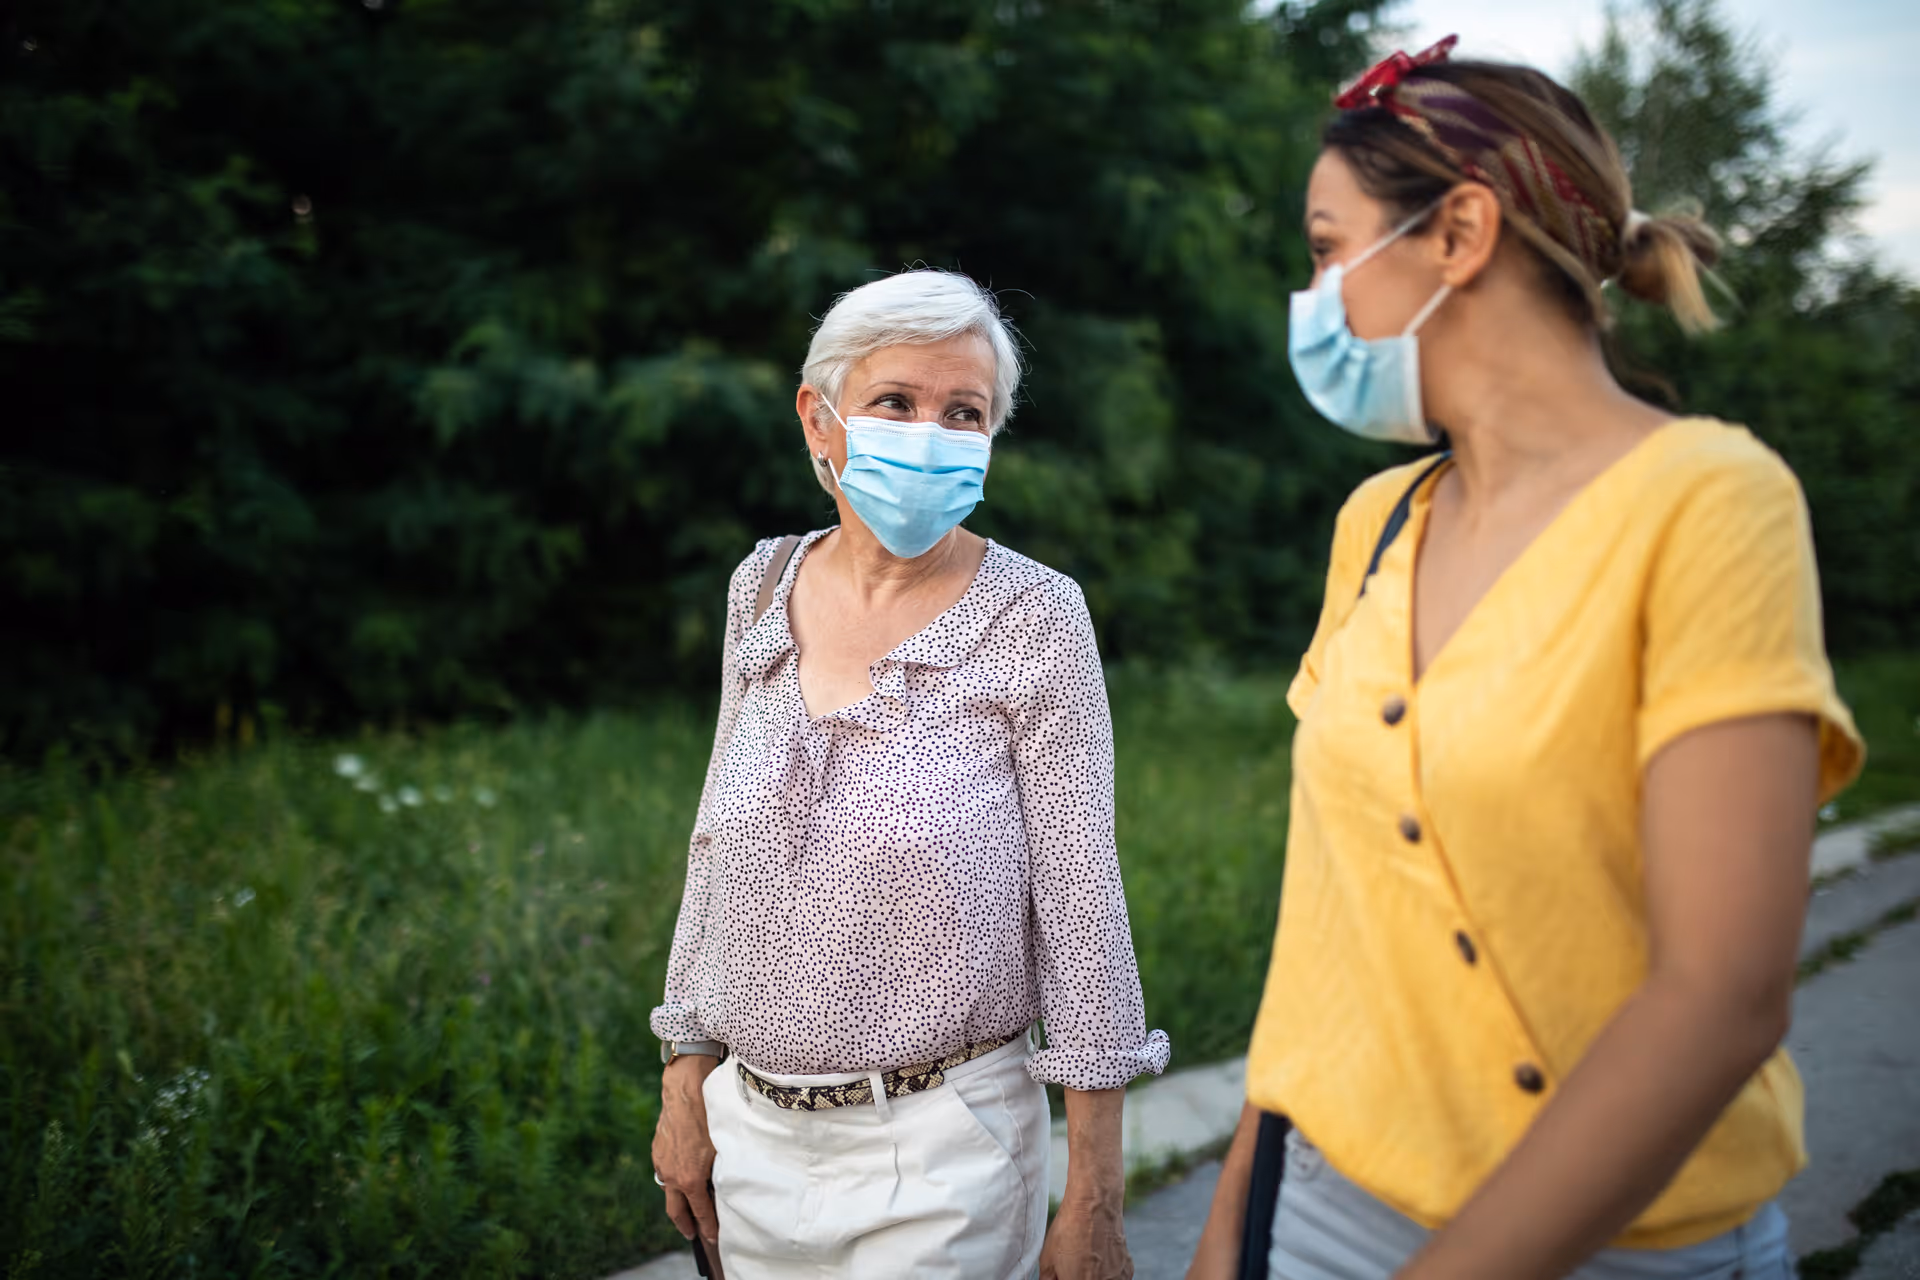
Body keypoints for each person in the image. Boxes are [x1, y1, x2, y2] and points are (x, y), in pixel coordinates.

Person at [1186, 37, 1865, 1280]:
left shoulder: (1712, 503)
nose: (1317, 295)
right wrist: (1231, 1224)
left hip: (1622, 1242)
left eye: (1329, 249)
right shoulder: (1377, 521)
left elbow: (1720, 996)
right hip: (1316, 1202)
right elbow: (1325, 927)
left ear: (1459, 233)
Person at [650, 268, 1170, 1280]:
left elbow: (1082, 906)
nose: (929, 432)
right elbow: (713, 851)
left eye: (962, 412)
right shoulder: (759, 585)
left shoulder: (1037, 616)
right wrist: (683, 1082)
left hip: (944, 1153)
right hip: (750, 1143)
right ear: (821, 416)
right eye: (895, 401)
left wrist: (1095, 1196)